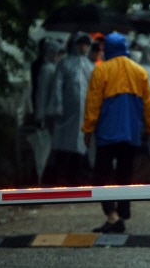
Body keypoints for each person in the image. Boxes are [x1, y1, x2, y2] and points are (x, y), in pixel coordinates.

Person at [82, 32, 150, 234]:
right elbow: (148, 105)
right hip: (131, 133)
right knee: (125, 174)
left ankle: (112, 216)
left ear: (107, 50)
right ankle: (123, 211)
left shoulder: (101, 71)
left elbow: (93, 104)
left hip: (106, 134)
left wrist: (88, 129)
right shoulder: (139, 72)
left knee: (100, 177)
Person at [50, 31, 95, 186]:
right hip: (67, 111)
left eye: (86, 44)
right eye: (80, 44)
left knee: (81, 143)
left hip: (84, 112)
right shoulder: (65, 62)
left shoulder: (90, 65)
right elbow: (57, 85)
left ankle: (75, 176)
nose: (83, 47)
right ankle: (60, 175)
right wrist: (58, 105)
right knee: (64, 143)